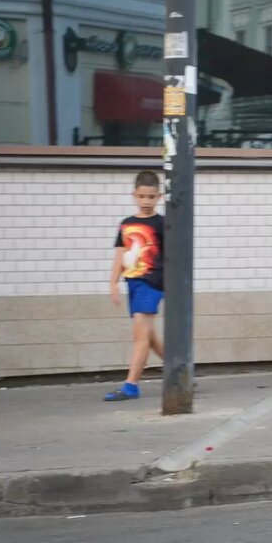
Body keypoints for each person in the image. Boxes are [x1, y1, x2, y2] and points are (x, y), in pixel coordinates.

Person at [104, 171, 165, 401]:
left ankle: (131, 385)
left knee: (140, 336)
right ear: (134, 195)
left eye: (151, 197)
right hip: (134, 284)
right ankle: (181, 371)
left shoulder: (162, 224)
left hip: (153, 283)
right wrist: (113, 282)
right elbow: (120, 255)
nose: (146, 201)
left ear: (159, 196)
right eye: (142, 196)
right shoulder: (126, 225)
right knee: (149, 337)